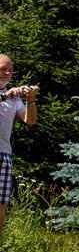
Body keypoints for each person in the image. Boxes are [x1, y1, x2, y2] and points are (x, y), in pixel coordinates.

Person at [0, 54, 39, 236]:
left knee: (1, 203)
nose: (7, 73)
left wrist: (30, 100)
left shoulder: (14, 99)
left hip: (4, 155)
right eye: (3, 69)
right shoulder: (9, 95)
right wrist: (6, 95)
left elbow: (29, 120)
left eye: (10, 70)